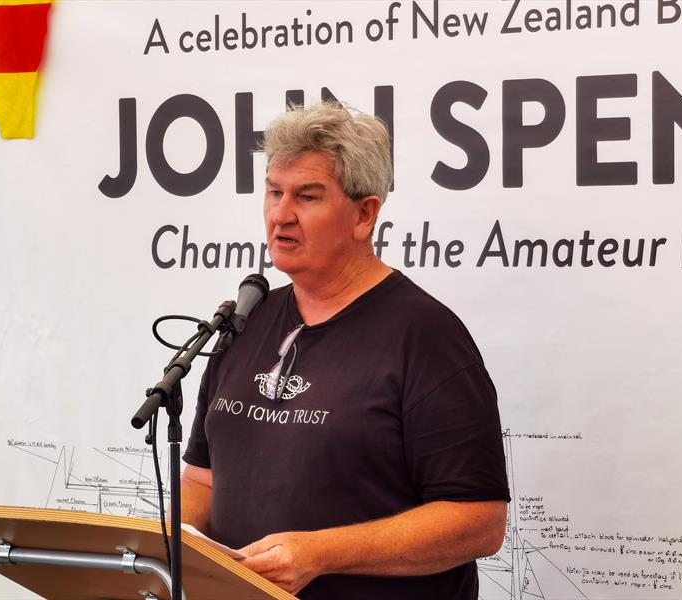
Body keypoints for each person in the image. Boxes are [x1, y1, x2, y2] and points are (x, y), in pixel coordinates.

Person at [180, 101, 510, 599]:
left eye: (307, 197)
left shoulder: (425, 337)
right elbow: (204, 482)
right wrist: (164, 547)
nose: (281, 216)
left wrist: (321, 554)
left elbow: (479, 522)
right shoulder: (244, 323)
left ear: (364, 214)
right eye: (274, 193)